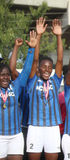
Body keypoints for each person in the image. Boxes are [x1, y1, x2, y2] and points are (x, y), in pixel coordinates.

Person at [26, 18, 64, 160]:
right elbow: (35, 61)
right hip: (35, 127)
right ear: (38, 69)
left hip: (53, 127)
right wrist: (39, 35)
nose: (47, 70)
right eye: (44, 67)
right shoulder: (33, 81)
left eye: (50, 67)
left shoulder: (55, 80)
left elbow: (60, 60)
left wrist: (59, 36)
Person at [0, 31, 37, 160]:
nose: (5, 77)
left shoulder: (15, 86)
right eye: (2, 75)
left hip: (16, 136)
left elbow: (26, 70)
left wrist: (31, 49)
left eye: (7, 75)